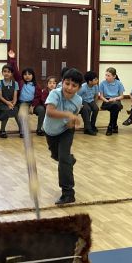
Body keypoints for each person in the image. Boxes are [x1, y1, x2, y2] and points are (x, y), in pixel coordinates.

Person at [43, 68, 83, 205]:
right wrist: (68, 115)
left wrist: (73, 122)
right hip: (50, 131)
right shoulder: (55, 93)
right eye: (67, 83)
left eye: (74, 85)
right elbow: (49, 112)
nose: (69, 88)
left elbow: (73, 117)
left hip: (66, 131)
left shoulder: (78, 100)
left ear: (79, 88)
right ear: (62, 82)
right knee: (57, 156)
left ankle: (68, 193)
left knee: (63, 159)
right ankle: (69, 160)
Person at [0, 64, 20, 138]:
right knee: (6, 111)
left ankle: (21, 129)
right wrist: (8, 103)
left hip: (12, 103)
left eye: (9, 72)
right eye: (5, 71)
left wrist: (13, 104)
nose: (6, 73)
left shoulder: (15, 83)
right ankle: (2, 130)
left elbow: (15, 97)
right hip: (2, 104)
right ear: (2, 73)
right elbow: (0, 96)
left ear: (11, 74)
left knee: (17, 111)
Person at [99, 67, 125, 136]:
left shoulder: (119, 83)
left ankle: (111, 125)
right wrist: (107, 101)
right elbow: (101, 96)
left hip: (116, 100)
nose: (106, 77)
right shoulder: (102, 83)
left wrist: (114, 99)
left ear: (114, 76)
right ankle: (114, 125)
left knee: (115, 105)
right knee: (115, 106)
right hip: (106, 101)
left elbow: (122, 96)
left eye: (108, 75)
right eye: (106, 75)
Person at [79, 71, 99, 136]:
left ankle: (92, 125)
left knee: (96, 109)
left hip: (91, 100)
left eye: (97, 79)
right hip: (83, 101)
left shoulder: (95, 86)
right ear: (90, 81)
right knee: (87, 109)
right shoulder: (83, 87)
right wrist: (80, 105)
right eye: (95, 79)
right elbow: (77, 96)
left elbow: (96, 95)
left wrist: (95, 103)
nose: (97, 80)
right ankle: (87, 128)